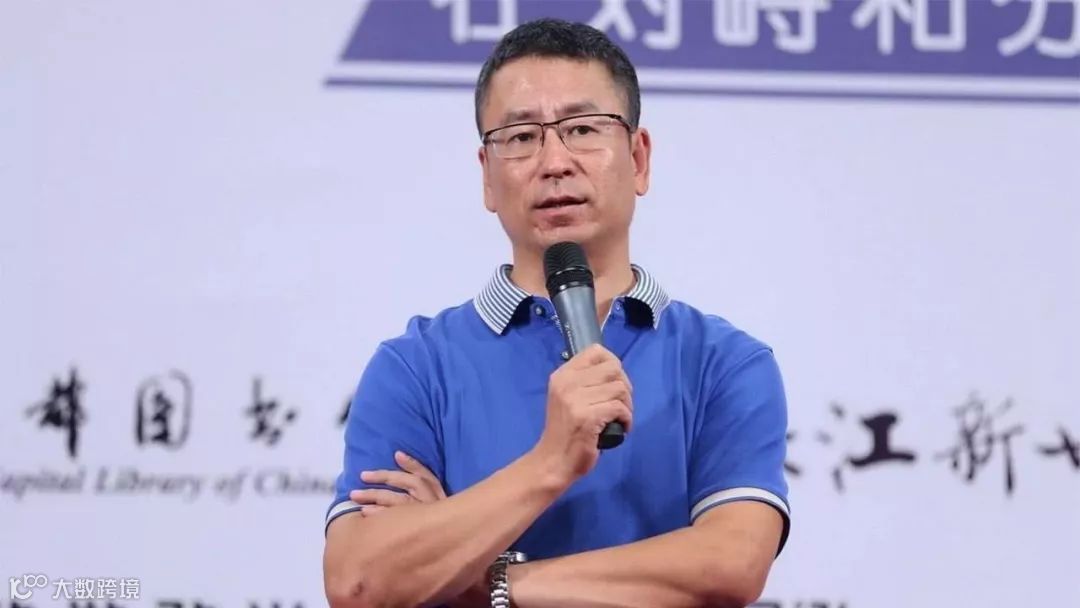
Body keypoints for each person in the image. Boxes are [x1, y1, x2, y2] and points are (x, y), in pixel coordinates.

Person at [323, 17, 791, 608]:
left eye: (583, 129)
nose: (554, 162)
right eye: (520, 137)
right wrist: (551, 462)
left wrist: (487, 581)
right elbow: (361, 583)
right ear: (487, 175)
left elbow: (730, 565)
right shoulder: (415, 368)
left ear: (638, 158)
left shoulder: (724, 363)